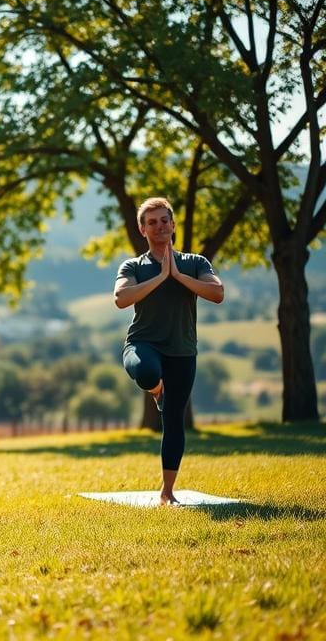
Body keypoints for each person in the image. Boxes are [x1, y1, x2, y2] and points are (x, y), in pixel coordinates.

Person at [113, 197, 224, 505]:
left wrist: (178, 277)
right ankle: (156, 387)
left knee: (173, 420)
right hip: (142, 344)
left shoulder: (196, 263)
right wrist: (160, 277)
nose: (159, 226)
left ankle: (167, 492)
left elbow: (217, 293)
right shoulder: (134, 266)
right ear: (142, 229)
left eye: (164, 220)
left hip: (182, 350)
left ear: (173, 225)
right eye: (152, 222)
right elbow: (121, 298)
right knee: (147, 372)